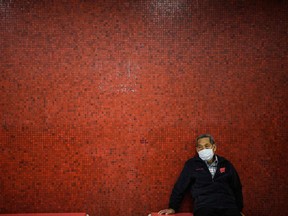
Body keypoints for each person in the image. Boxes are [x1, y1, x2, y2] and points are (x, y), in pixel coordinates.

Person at [158, 134, 244, 216]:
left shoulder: (226, 164)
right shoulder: (192, 165)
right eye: (200, 147)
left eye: (207, 146)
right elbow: (180, 187)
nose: (204, 149)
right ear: (197, 150)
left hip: (228, 205)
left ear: (214, 147)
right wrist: (173, 207)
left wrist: (239, 209)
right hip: (204, 206)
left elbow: (236, 187)